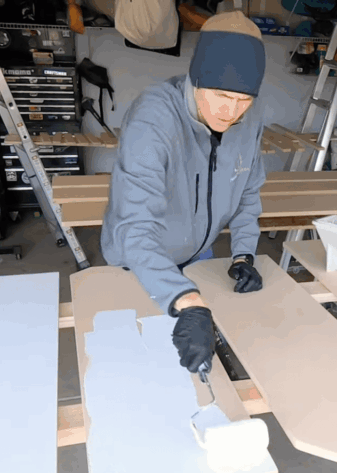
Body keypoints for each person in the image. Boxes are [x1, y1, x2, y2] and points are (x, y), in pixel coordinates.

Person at [101, 11, 267, 374]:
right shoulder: (154, 118)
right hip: (139, 260)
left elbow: (247, 193)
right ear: (197, 78)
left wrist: (243, 255)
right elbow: (135, 223)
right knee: (143, 369)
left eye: (244, 100)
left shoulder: (248, 120)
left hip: (198, 254)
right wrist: (184, 300)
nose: (231, 111)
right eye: (222, 95)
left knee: (199, 372)